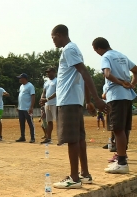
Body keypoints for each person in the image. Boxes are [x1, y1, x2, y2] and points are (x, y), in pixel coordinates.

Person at [50, 25, 108, 189]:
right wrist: (88, 101)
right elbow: (81, 75)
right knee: (80, 138)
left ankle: (74, 178)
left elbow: (84, 72)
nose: (53, 41)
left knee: (72, 139)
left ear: (59, 35)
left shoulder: (68, 49)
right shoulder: (74, 49)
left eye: (53, 37)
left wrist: (96, 98)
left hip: (68, 101)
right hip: (73, 100)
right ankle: (85, 174)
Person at [92, 37, 137, 174]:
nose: (97, 53)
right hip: (127, 96)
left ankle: (121, 162)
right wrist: (131, 85)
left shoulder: (106, 56)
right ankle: (121, 156)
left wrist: (120, 82)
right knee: (123, 128)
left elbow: (107, 74)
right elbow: (136, 70)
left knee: (117, 129)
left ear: (98, 48)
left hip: (116, 96)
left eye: (95, 51)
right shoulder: (121, 55)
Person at [15, 73, 35, 143]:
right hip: (21, 108)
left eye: (20, 78)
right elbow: (20, 97)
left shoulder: (30, 86)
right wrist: (19, 106)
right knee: (21, 123)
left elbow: (33, 96)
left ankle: (32, 138)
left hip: (27, 108)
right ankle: (22, 136)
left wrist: (31, 107)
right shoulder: (21, 86)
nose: (19, 79)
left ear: (24, 78)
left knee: (30, 123)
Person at [39, 68, 57, 144]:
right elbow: (44, 91)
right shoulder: (46, 82)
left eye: (49, 72)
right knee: (49, 121)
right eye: (47, 73)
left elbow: (58, 92)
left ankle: (62, 138)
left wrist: (47, 99)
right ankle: (48, 138)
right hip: (47, 104)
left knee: (59, 122)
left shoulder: (57, 81)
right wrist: (42, 99)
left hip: (55, 103)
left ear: (54, 72)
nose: (47, 74)